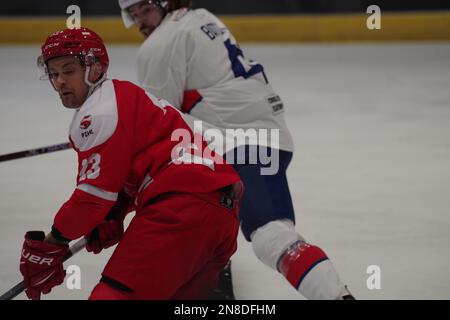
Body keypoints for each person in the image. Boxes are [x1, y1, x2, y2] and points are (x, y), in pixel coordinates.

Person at [117, 0, 354, 299]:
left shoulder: (159, 45)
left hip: (244, 142)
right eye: (133, 14)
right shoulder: (198, 17)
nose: (140, 21)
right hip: (255, 136)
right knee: (198, 207)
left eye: (145, 10)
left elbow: (161, 123)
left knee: (270, 234)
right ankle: (211, 288)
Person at [19, 27, 243, 300]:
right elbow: (145, 166)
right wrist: (116, 210)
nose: (60, 82)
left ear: (95, 69)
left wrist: (52, 244)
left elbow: (91, 200)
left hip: (180, 212)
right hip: (221, 213)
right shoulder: (126, 95)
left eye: (68, 71)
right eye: (54, 74)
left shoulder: (97, 112)